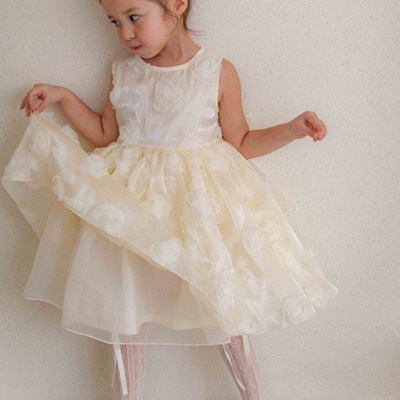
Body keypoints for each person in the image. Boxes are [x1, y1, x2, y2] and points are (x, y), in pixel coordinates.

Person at [3, 0, 337, 399]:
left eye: (134, 17)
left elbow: (241, 142)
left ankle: (252, 395)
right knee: (126, 308)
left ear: (177, 5)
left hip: (199, 205)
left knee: (222, 298)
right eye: (114, 22)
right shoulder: (123, 70)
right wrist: (65, 97)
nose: (125, 33)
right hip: (131, 206)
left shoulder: (216, 71)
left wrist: (292, 130)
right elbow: (106, 134)